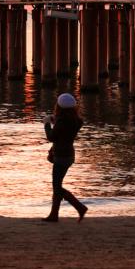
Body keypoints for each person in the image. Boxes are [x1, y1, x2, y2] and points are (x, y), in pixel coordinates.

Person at [42, 93, 87, 223]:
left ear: (59, 106)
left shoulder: (62, 121)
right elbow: (64, 130)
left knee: (57, 187)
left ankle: (80, 207)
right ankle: (54, 215)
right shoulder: (76, 120)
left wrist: (46, 124)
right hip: (69, 155)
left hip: (61, 156)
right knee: (58, 185)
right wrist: (55, 119)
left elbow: (51, 137)